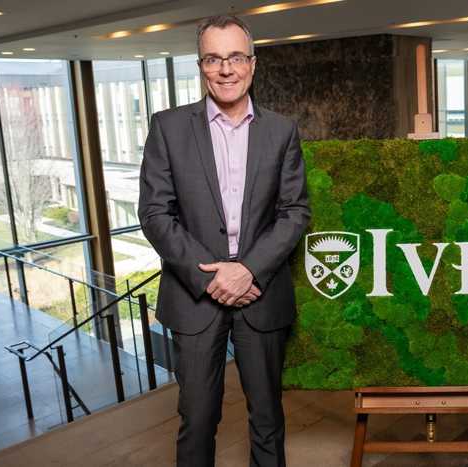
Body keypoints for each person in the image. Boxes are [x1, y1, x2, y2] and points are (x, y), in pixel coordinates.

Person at [138, 14, 310, 467]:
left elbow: (295, 212)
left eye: (235, 57)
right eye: (213, 59)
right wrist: (213, 278)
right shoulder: (168, 127)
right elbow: (155, 214)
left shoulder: (281, 130)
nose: (226, 69)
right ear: (201, 66)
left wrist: (248, 270)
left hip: (261, 291)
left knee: (268, 418)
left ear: (252, 63)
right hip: (195, 296)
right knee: (196, 420)